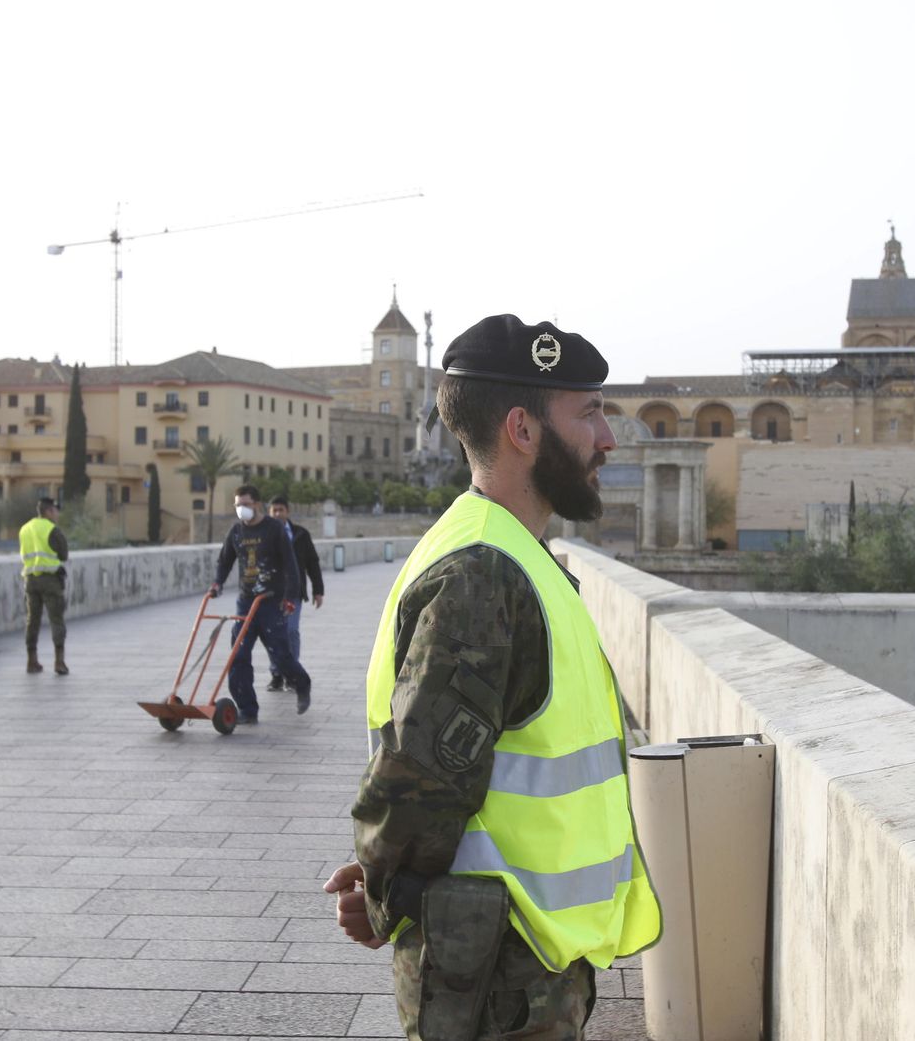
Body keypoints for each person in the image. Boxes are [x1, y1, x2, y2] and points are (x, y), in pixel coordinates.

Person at [323, 315, 661, 1039]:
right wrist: (386, 894)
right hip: (494, 976)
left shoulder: (505, 552)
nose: (607, 438)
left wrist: (384, 881)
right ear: (523, 429)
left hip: (515, 958)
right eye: (590, 413)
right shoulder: (483, 573)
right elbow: (418, 779)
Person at [207, 484, 312, 722]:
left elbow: (290, 565)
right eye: (238, 505)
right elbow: (225, 561)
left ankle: (302, 683)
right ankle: (247, 710)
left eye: (245, 504)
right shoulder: (236, 532)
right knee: (238, 656)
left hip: (271, 603)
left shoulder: (274, 529)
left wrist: (290, 597)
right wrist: (217, 584)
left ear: (256, 504)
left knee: (280, 656)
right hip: (245, 603)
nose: (241, 509)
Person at [264, 494, 324, 692]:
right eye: (274, 510)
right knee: (273, 634)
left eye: (281, 510)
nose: (277, 513)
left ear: (287, 512)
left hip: (293, 592)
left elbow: (312, 562)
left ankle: (292, 674)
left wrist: (318, 590)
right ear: (269, 513)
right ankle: (276, 675)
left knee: (291, 631)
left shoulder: (300, 534)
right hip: (270, 594)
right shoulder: (263, 535)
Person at [18, 497, 70, 675]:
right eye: (55, 511)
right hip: (50, 580)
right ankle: (59, 662)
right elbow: (63, 554)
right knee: (56, 620)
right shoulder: (51, 529)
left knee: (32, 620)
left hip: (30, 580)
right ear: (48, 511)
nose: (57, 514)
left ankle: (31, 661)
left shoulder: (25, 529)